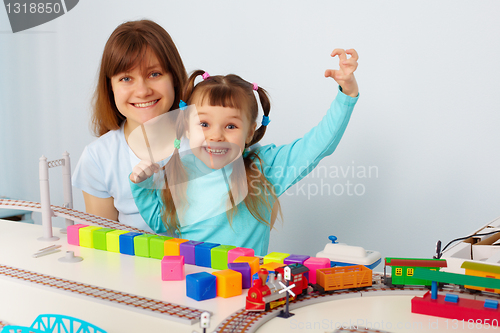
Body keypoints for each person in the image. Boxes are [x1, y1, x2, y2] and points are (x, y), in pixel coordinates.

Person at [129, 48, 360, 255]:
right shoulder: (179, 168)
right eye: (204, 124)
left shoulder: (263, 168)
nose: (216, 136)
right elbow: (161, 225)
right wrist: (142, 187)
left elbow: (316, 146)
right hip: (192, 288)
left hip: (246, 291)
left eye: (230, 126)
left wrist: (346, 95)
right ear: (187, 127)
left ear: (249, 133)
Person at [72, 20, 188, 232]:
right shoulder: (98, 158)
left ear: (174, 77)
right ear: (111, 87)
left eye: (154, 74)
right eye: (126, 78)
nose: (142, 91)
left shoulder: (210, 137)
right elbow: (103, 246)